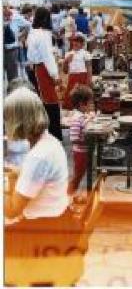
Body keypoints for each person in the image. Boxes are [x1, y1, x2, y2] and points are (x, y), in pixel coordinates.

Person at [4, 87, 69, 222]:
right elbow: (41, 177)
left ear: (18, 121)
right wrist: (17, 173)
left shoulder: (38, 156)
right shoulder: (51, 142)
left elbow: (12, 211)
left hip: (43, 228)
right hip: (59, 218)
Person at [27, 7, 63, 141]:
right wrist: (55, 75)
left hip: (37, 68)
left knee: (45, 102)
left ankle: (48, 133)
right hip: (43, 69)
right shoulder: (42, 34)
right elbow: (47, 56)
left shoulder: (33, 32)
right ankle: (54, 135)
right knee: (51, 102)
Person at [68, 85, 95, 194]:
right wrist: (88, 141)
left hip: (84, 151)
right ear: (81, 104)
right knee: (77, 177)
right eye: (89, 103)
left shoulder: (82, 116)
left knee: (81, 175)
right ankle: (67, 197)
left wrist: (88, 119)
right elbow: (74, 138)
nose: (91, 105)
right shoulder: (77, 118)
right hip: (80, 152)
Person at [62, 33, 92, 110]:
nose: (75, 43)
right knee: (70, 97)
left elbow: (89, 67)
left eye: (78, 42)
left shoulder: (85, 54)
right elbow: (65, 71)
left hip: (82, 77)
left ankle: (83, 110)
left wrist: (89, 80)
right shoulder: (68, 54)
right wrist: (66, 61)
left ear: (82, 44)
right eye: (74, 41)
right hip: (72, 77)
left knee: (83, 96)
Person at [3, 8, 19, 83]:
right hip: (7, 50)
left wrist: (21, 36)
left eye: (9, 15)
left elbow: (12, 39)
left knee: (13, 77)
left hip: (11, 50)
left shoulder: (14, 21)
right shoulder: (5, 25)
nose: (8, 17)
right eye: (5, 15)